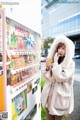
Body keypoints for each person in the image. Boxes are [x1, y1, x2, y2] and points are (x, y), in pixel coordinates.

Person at [41, 35, 75, 120]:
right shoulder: (53, 59)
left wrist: (55, 63)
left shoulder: (70, 63)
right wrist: (47, 68)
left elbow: (61, 77)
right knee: (49, 118)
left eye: (63, 48)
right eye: (59, 48)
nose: (60, 50)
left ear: (68, 50)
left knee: (58, 117)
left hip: (60, 97)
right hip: (49, 95)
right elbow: (47, 77)